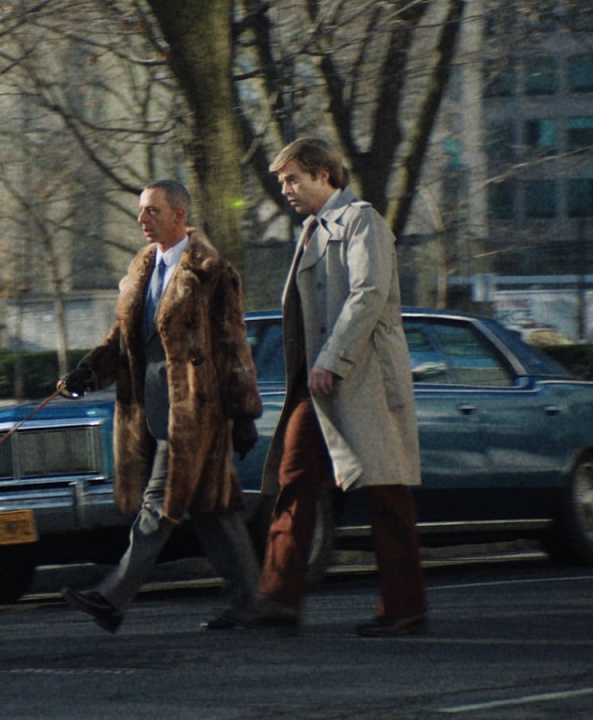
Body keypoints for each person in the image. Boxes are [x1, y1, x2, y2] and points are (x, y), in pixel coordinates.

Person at [238, 138, 428, 637]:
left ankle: (404, 607)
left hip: (359, 377)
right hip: (318, 383)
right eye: (282, 181)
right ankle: (278, 597)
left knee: (386, 492)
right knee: (292, 479)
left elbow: (368, 295)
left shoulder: (362, 220)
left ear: (324, 174)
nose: (286, 190)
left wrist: (331, 361)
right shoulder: (311, 230)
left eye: (293, 179)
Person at [56, 179, 264, 633]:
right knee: (215, 508)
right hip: (148, 410)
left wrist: (244, 411)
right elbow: (122, 340)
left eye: (152, 211)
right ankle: (253, 600)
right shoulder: (143, 269)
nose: (141, 220)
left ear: (179, 215)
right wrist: (88, 372)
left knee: (159, 503)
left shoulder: (212, 271)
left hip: (194, 412)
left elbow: (232, 344)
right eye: (141, 211)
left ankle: (113, 597)